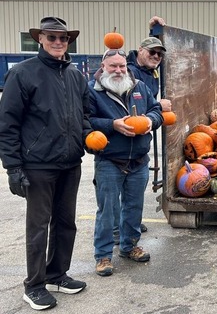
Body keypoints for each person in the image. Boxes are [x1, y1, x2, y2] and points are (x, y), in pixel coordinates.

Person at [0, 17, 90, 310]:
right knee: (38, 227)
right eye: (51, 37)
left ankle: (57, 274)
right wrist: (13, 167)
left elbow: (84, 116)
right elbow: (8, 124)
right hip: (38, 165)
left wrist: (88, 137)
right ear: (40, 38)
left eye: (63, 38)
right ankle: (34, 285)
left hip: (70, 162)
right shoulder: (24, 74)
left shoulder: (76, 76)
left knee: (66, 223)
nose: (57, 42)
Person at [89, 48, 163, 277]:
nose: (119, 70)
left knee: (134, 207)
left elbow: (156, 110)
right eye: (113, 66)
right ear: (103, 67)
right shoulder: (93, 92)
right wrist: (113, 125)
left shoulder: (139, 86)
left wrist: (150, 121)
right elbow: (85, 120)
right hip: (110, 160)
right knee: (107, 211)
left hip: (139, 160)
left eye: (121, 66)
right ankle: (102, 256)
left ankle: (129, 246)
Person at [122, 16, 170, 236]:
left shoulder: (151, 71)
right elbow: (129, 104)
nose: (157, 57)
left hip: (141, 139)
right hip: (123, 138)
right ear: (140, 51)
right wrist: (157, 104)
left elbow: (153, 48)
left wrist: (154, 31)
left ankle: (130, 223)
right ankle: (116, 229)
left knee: (136, 188)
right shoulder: (129, 72)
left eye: (160, 54)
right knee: (118, 189)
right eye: (152, 53)